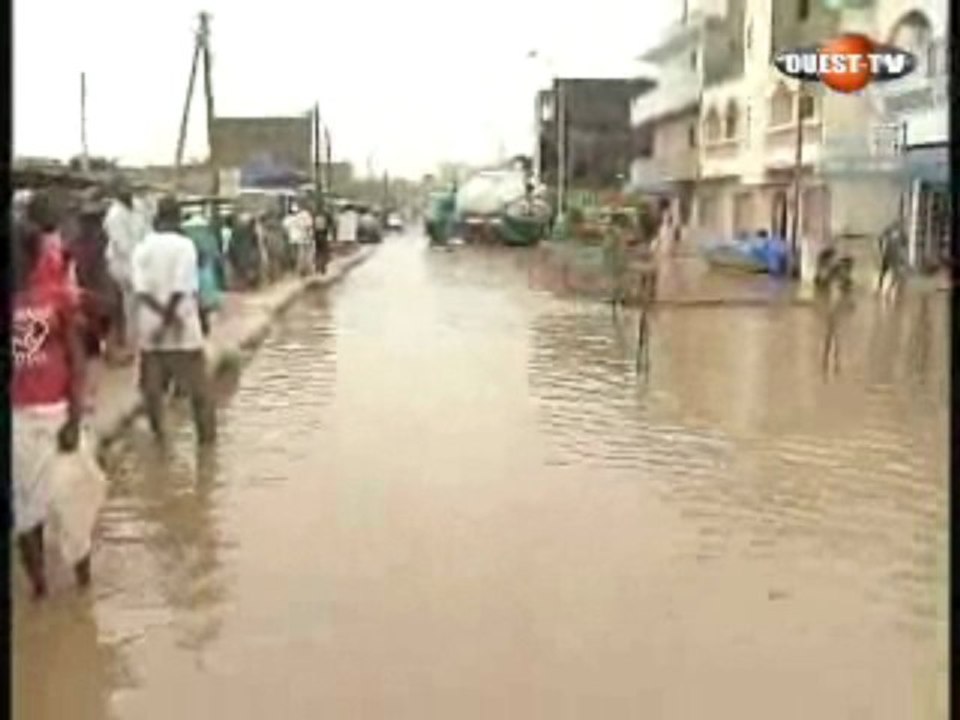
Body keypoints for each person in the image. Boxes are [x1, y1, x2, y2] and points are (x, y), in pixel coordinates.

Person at [12, 218, 90, 599]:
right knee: (26, 511)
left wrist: (75, 416)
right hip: (18, 418)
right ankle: (39, 587)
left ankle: (82, 585)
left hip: (58, 410)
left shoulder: (55, 295)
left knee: (74, 502)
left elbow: (76, 358)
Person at [132, 195, 217, 445]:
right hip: (183, 329)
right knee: (200, 395)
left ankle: (160, 443)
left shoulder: (142, 247)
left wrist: (158, 321)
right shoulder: (184, 246)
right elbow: (182, 289)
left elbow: (141, 291)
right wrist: (169, 320)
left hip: (151, 331)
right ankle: (207, 452)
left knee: (152, 392)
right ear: (177, 217)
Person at [103, 179, 144, 363]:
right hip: (123, 265)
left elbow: (147, 231)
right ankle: (133, 346)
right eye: (122, 188)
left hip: (141, 262)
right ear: (116, 193)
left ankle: (137, 345)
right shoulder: (114, 215)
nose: (127, 191)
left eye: (128, 187)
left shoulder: (139, 206)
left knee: (137, 307)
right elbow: (123, 245)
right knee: (132, 306)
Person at [284, 202, 315, 276]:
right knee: (302, 255)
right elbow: (309, 225)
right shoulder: (303, 216)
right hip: (301, 239)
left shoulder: (288, 219)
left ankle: (299, 270)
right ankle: (302, 270)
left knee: (297, 255)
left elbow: (285, 228)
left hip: (293, 239)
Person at [313, 204, 332, 274]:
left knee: (318, 251)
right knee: (324, 252)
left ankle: (317, 267)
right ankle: (323, 268)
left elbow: (313, 226)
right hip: (324, 235)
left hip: (317, 235)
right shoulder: (327, 216)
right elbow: (330, 225)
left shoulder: (315, 215)